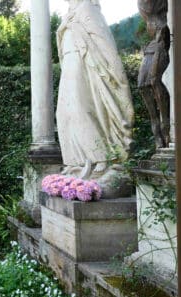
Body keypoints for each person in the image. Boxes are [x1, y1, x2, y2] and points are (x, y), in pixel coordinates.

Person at [56, 0, 134, 179]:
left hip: (83, 63)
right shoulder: (69, 13)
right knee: (64, 113)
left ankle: (101, 158)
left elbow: (103, 41)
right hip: (68, 64)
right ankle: (77, 162)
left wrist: (113, 70)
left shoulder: (87, 8)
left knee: (80, 109)